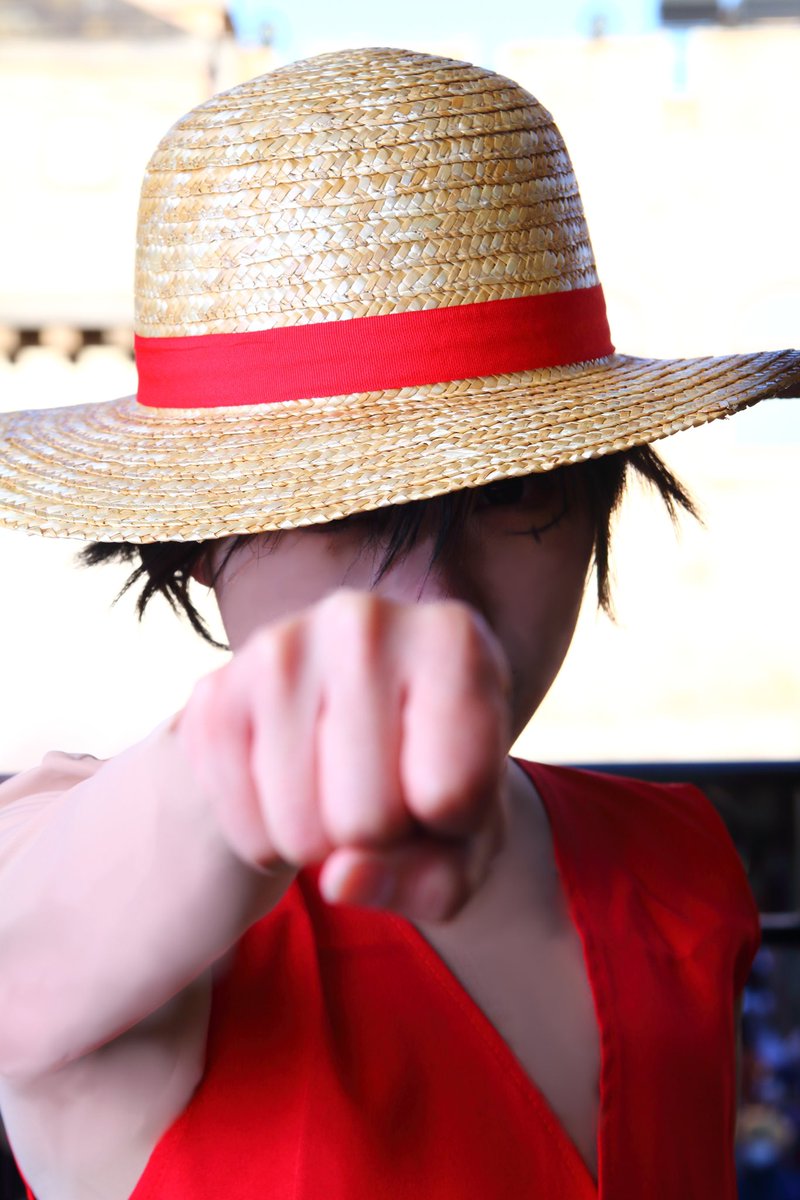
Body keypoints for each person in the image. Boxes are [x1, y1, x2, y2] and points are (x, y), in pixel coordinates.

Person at [0, 46, 797, 1200]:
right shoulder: (79, 868)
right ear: (194, 540)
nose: (436, 606)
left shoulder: (676, 869)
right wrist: (244, 756)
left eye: (513, 491)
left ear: (595, 496)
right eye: (331, 509)